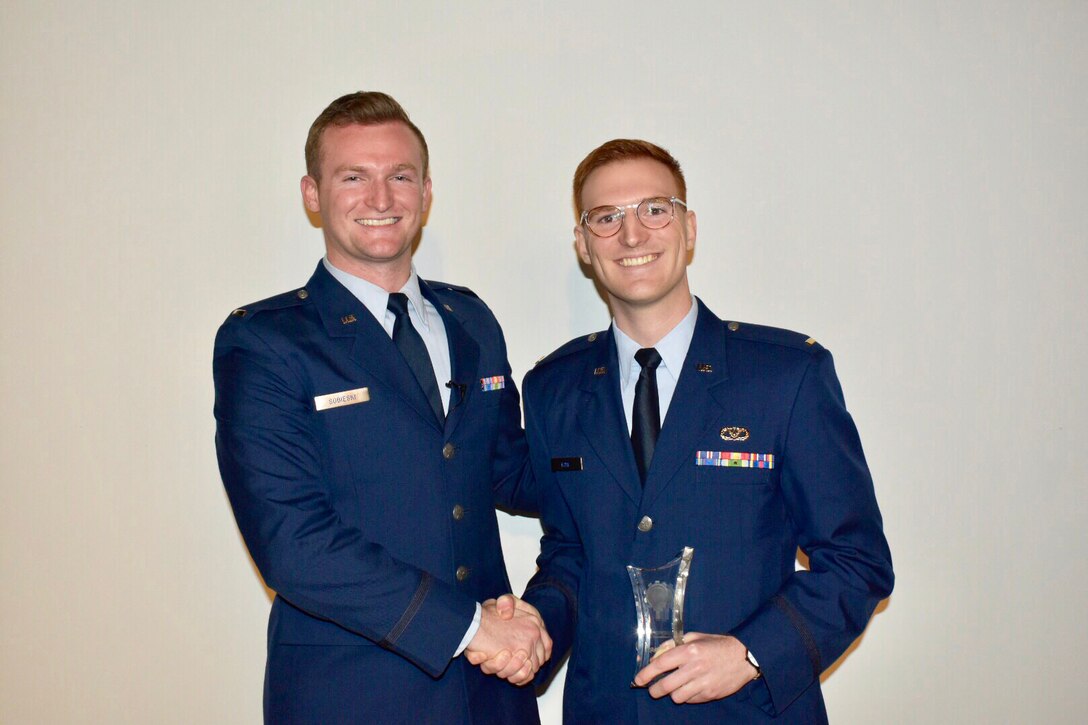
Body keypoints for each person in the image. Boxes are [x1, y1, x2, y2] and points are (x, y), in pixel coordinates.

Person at [512, 139, 894, 722]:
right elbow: (570, 553)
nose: (632, 235)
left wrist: (752, 653)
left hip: (749, 710)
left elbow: (857, 562)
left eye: (654, 210)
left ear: (688, 228)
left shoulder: (785, 376)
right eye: (606, 218)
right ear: (584, 246)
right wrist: (535, 628)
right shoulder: (551, 390)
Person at [213, 91, 549, 724]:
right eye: (353, 178)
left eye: (400, 176)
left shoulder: (470, 319)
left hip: (492, 696)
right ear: (312, 194)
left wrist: (630, 436)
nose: (381, 199)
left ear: (425, 193)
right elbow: (293, 543)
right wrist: (470, 628)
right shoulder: (266, 341)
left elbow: (507, 469)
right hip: (351, 694)